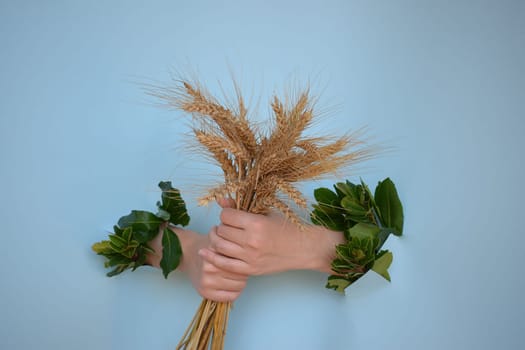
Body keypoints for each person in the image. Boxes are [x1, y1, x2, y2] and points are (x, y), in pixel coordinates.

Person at [146, 198, 345, 302]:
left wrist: (309, 245)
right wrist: (187, 251)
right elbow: (125, 233)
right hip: (160, 307)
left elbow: (376, 256)